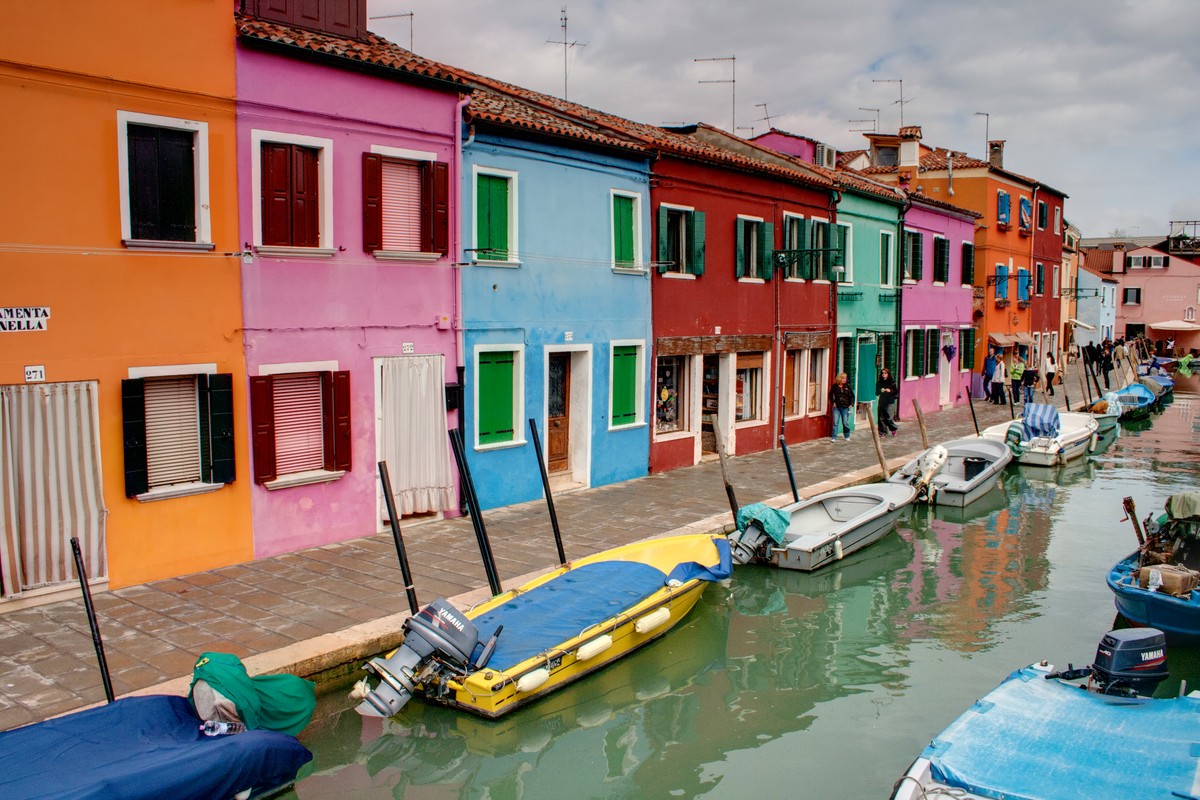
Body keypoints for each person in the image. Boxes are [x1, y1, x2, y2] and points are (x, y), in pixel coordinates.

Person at [829, 372, 855, 442]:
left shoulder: (847, 386)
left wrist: (851, 404)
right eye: (843, 378)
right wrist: (833, 402)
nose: (845, 380)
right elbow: (830, 394)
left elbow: (852, 396)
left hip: (845, 407)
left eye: (845, 378)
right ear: (840, 379)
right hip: (837, 407)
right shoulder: (835, 386)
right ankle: (834, 437)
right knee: (835, 422)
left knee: (845, 422)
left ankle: (847, 435)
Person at [876, 367, 899, 437]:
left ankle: (893, 428)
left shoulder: (892, 382)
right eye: (882, 373)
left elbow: (896, 393)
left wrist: (890, 391)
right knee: (881, 418)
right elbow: (876, 392)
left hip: (890, 401)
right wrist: (880, 390)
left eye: (885, 373)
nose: (883, 374)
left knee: (888, 417)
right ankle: (883, 432)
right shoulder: (879, 382)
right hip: (882, 401)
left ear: (888, 374)